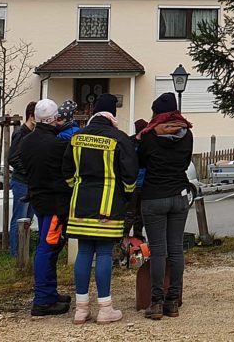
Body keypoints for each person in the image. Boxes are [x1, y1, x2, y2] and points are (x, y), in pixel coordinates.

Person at [63, 93, 138, 324]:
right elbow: (130, 174)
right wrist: (126, 193)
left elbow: (67, 172)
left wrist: (77, 188)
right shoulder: (119, 138)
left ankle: (81, 308)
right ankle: (105, 308)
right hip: (108, 205)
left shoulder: (77, 137)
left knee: (84, 252)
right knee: (104, 253)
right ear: (112, 114)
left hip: (80, 204)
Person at [138, 92, 194, 319]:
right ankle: (173, 301)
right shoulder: (187, 134)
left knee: (158, 251)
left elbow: (141, 161)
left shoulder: (149, 136)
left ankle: (156, 302)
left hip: (154, 197)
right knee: (176, 249)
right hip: (179, 196)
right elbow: (187, 160)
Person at [17, 99, 72, 316]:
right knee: (47, 248)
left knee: (48, 246)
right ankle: (42, 300)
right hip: (55, 205)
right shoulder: (58, 145)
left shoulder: (26, 143)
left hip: (38, 200)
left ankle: (50, 293)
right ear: (52, 119)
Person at [6, 101, 36, 258]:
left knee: (27, 219)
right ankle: (15, 254)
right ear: (32, 116)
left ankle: (23, 252)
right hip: (21, 181)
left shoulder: (31, 134)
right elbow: (12, 158)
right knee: (19, 219)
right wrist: (28, 171)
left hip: (29, 182)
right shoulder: (21, 133)